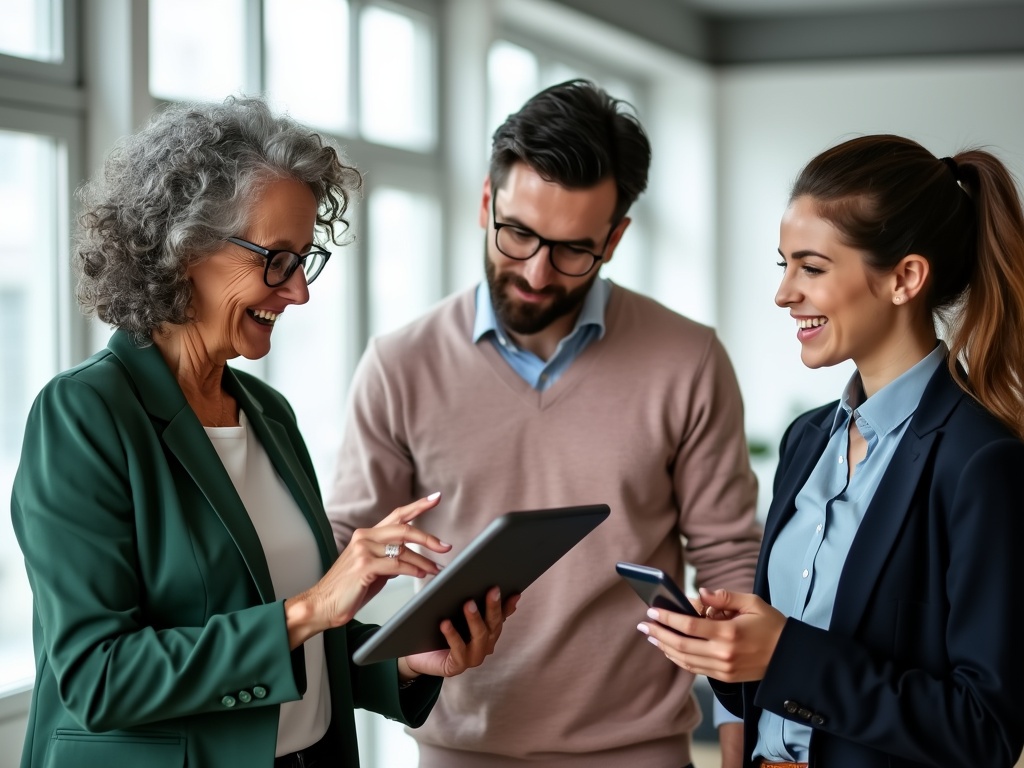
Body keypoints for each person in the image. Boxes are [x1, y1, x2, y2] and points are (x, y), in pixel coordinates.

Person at [11, 96, 518, 768]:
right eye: (277, 259)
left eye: (306, 260)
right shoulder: (84, 415)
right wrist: (309, 610)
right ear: (185, 247)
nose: (299, 291)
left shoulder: (268, 414)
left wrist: (406, 663)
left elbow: (298, 647)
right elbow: (98, 675)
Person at [327, 79, 762, 768]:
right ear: (485, 203)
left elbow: (729, 555)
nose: (534, 271)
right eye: (517, 233)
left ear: (614, 239)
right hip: (457, 747)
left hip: (639, 750)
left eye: (571, 250)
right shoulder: (399, 364)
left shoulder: (689, 358)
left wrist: (747, 728)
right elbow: (341, 555)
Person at [638, 135, 1024, 768]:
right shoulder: (807, 439)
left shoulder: (979, 462)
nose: (784, 293)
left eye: (811, 268)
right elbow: (784, 676)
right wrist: (728, 652)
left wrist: (783, 653)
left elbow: (984, 731)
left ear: (904, 278)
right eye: (783, 264)